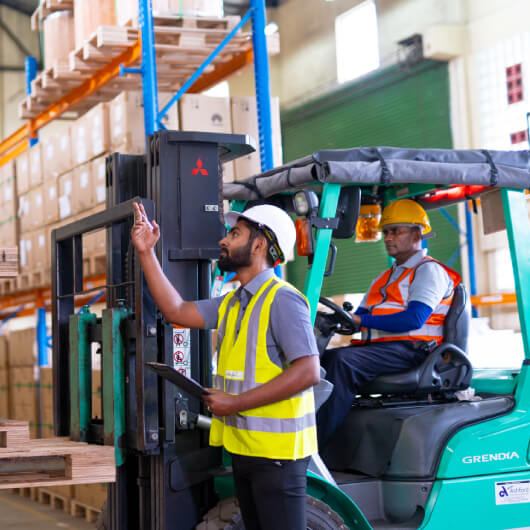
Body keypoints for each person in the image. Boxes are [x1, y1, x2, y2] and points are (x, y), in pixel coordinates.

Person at [131, 201, 320, 530]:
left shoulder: (282, 299)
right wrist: (147, 253)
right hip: (246, 451)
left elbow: (309, 371)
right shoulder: (234, 302)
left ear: (259, 245)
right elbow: (177, 310)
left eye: (234, 234)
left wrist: (235, 403)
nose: (223, 240)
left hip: (278, 457)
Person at [317, 199, 461, 448]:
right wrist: (336, 321)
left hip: (416, 350)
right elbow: (358, 319)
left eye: (396, 231)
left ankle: (313, 446)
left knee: (342, 364)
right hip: (385, 350)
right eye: (386, 232)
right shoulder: (383, 277)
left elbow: (414, 319)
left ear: (417, 233)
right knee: (317, 362)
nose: (388, 237)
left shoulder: (428, 271)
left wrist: (360, 320)